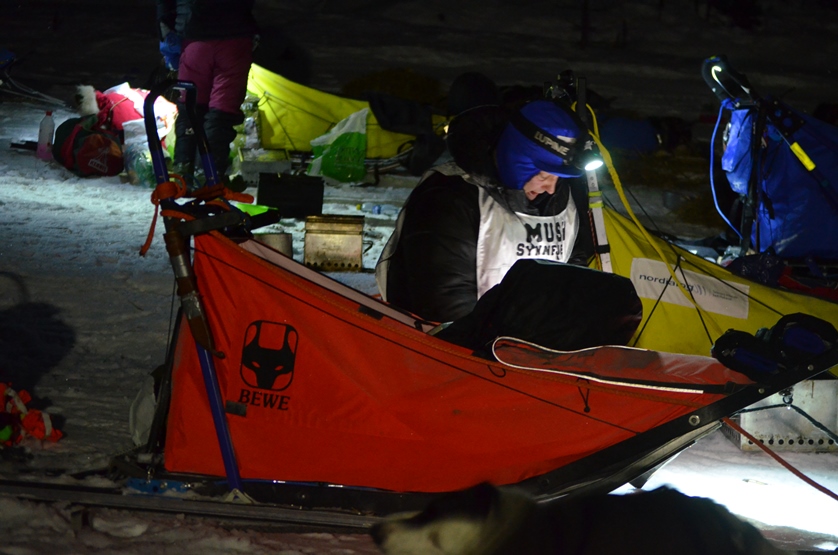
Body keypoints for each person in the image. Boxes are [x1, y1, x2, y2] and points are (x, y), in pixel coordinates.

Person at [376, 98, 642, 353]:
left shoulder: (563, 200)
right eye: (544, 175)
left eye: (558, 178)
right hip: (440, 353)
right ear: (518, 159)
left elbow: (569, 280)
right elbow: (443, 304)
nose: (551, 188)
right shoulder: (449, 198)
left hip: (521, 356)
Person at [156, 0, 258, 189]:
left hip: (194, 34)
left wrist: (169, 27)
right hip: (234, 35)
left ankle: (183, 172)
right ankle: (207, 175)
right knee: (222, 110)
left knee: (191, 105)